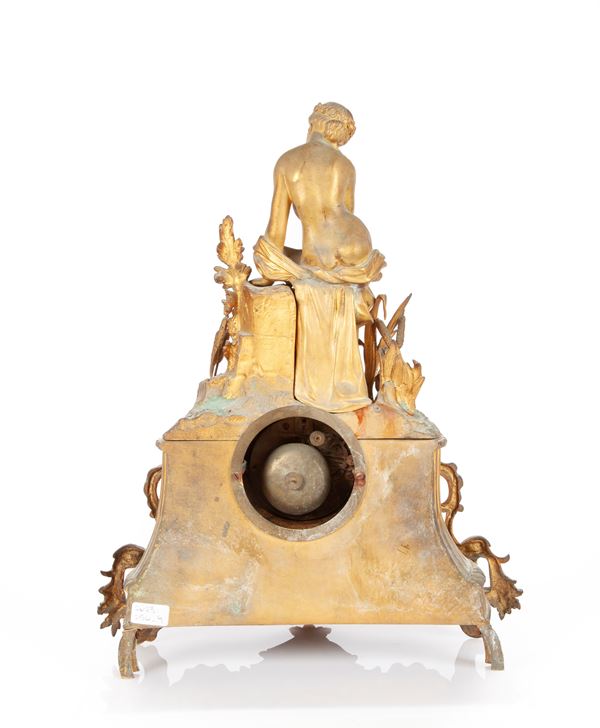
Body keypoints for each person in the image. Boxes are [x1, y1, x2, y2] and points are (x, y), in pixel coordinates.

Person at [254, 103, 385, 412]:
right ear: (334, 129)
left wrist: (269, 266)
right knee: (299, 260)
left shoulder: (287, 162)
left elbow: (277, 229)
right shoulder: (343, 164)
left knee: (281, 256)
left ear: (316, 123)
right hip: (356, 244)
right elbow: (343, 213)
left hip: (319, 253)